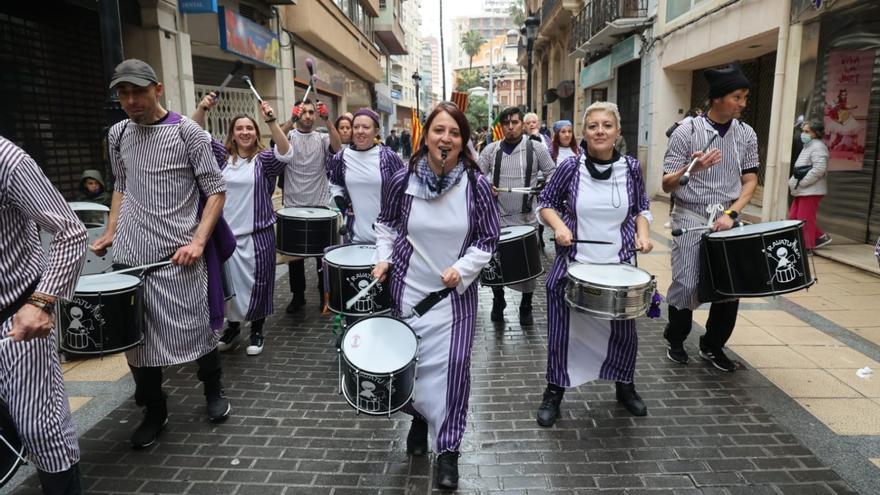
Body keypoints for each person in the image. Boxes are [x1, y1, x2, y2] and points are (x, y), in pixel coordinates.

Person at [92, 59, 234, 449]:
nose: (131, 100)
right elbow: (120, 183)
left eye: (138, 91)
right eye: (123, 93)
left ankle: (213, 390)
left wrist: (199, 242)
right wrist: (111, 230)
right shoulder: (118, 133)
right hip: (131, 254)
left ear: (157, 88)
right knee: (137, 340)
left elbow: (216, 190)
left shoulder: (188, 133)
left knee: (198, 329)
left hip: (179, 255)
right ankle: (154, 411)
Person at [371, 101, 499, 489]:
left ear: (463, 142)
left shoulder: (476, 185)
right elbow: (386, 225)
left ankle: (449, 451)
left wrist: (461, 270)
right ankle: (418, 418)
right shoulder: (402, 180)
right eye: (439, 130)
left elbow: (488, 239)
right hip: (409, 291)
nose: (446, 138)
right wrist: (382, 259)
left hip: (454, 298)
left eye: (454, 133)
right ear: (425, 136)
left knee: (454, 370)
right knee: (413, 364)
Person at [535, 101, 654, 426]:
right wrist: (559, 227)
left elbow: (641, 208)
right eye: (592, 126)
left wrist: (643, 235)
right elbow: (545, 203)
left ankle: (624, 386)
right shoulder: (570, 167)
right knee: (562, 332)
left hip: (618, 267)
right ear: (584, 133)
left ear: (617, 131)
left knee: (623, 332)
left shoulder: (630, 168)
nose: (600, 131)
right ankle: (554, 391)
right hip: (574, 265)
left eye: (606, 125)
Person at [0, 137, 87, 492]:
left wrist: (40, 303)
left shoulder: (7, 159)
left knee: (40, 427)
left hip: (16, 319)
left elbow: (70, 231)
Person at [661, 63, 759, 373]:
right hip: (690, 217)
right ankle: (676, 339)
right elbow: (665, 183)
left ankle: (713, 345)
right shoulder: (686, 131)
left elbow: (750, 181)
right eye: (737, 96)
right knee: (687, 283)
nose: (743, 103)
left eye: (745, 97)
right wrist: (693, 169)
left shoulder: (746, 134)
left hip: (727, 219)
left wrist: (732, 213)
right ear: (717, 97)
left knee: (730, 286)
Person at [192, 92, 293, 356]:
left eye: (250, 128)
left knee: (259, 284)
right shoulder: (220, 157)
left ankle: (257, 331)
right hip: (226, 236)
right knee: (230, 286)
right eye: (240, 128)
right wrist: (203, 107)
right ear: (233, 134)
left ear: (255, 132)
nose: (245, 132)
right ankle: (233, 328)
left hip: (257, 235)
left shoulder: (264, 160)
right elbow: (193, 133)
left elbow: (285, 153)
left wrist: (272, 122)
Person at [479, 106, 556, 325]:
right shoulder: (491, 150)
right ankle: (498, 300)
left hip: (526, 220)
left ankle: (526, 305)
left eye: (515, 122)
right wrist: (486, 186)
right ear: (501, 126)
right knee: (496, 266)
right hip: (497, 219)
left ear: (522, 124)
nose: (511, 127)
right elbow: (475, 175)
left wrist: (544, 189)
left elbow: (553, 175)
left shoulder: (536, 149)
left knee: (528, 266)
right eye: (506, 123)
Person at [279, 98, 342, 313]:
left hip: (320, 205)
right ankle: (298, 297)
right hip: (293, 205)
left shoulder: (323, 138)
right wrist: (290, 120)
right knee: (294, 258)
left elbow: (338, 147)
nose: (307, 116)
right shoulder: (288, 136)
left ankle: (325, 295)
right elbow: (274, 142)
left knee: (322, 258)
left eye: (311, 112)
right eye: (303, 112)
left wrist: (328, 120)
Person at [327, 108, 405, 243]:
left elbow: (404, 188)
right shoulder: (342, 157)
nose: (360, 131)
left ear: (376, 131)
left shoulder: (388, 157)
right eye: (356, 127)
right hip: (354, 236)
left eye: (366, 127)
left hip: (386, 237)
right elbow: (334, 181)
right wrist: (338, 196)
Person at [788, 119, 831, 250]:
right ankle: (820, 236)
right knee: (794, 218)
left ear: (816, 133)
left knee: (804, 219)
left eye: (807, 131)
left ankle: (806, 247)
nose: (803, 134)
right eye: (803, 131)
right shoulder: (809, 146)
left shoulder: (818, 147)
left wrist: (802, 183)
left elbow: (819, 169)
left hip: (810, 190)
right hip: (802, 189)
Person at [664, 107, 704, 229]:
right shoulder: (686, 124)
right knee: (675, 191)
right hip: (678, 163)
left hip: (695, 164)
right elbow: (668, 132)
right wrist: (679, 124)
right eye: (698, 113)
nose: (700, 115)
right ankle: (672, 217)